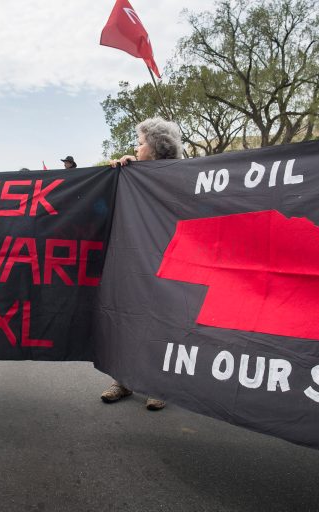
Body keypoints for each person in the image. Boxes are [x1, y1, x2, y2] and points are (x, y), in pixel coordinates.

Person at [101, 117, 184, 411]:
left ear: (158, 146)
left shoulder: (180, 174)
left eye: (140, 142)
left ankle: (157, 384)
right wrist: (118, 173)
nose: (136, 148)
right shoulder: (131, 172)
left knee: (160, 322)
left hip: (166, 260)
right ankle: (122, 380)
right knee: (128, 318)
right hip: (132, 260)